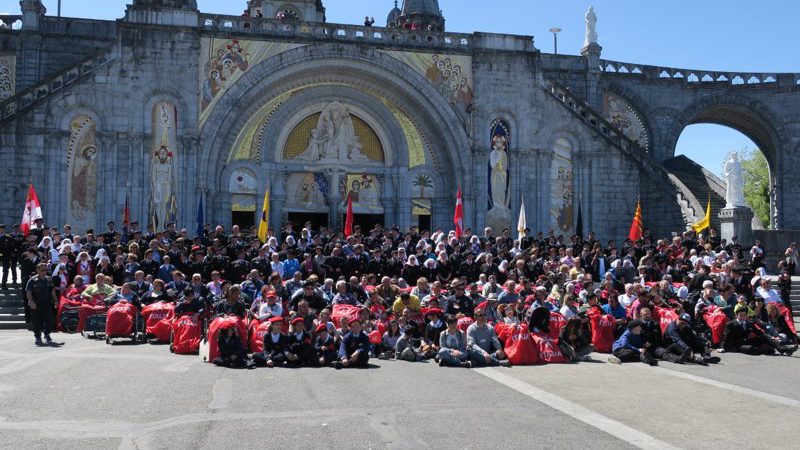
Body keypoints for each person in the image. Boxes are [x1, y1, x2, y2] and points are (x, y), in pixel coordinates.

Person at [26, 263, 59, 346]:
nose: (45, 272)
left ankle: (47, 334)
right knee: (36, 321)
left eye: (46, 270)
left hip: (47, 303)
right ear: (38, 270)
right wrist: (31, 301)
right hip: (36, 304)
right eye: (42, 270)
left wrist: (55, 300)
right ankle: (37, 337)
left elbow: (52, 290)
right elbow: (28, 291)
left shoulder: (49, 279)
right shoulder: (32, 280)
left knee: (49, 320)